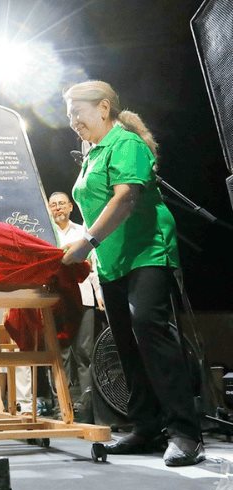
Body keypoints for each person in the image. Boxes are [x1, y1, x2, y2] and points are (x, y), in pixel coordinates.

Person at [62, 80, 203, 466]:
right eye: (68, 113)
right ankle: (145, 427)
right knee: (124, 341)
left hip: (147, 251)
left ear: (103, 107)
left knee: (149, 328)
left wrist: (87, 241)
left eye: (78, 111)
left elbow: (125, 198)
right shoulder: (91, 154)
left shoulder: (127, 145)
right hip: (112, 259)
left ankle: (185, 432)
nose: (72, 120)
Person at [48, 191, 105, 422]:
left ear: (71, 207)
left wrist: (99, 292)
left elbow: (94, 264)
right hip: (54, 299)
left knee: (84, 352)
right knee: (58, 354)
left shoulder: (83, 231)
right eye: (53, 205)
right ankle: (61, 404)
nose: (58, 208)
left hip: (83, 297)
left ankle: (88, 404)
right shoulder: (44, 232)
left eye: (62, 204)